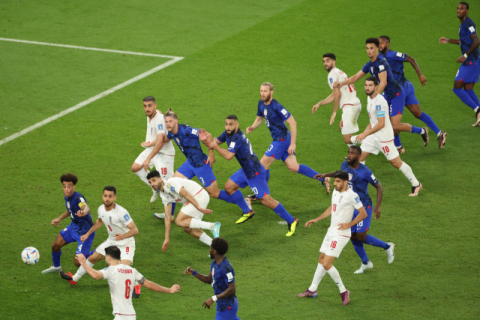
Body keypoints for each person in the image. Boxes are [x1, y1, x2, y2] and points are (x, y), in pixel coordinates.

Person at [200, 115, 299, 236]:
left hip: (255, 172)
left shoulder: (237, 138)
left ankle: (292, 220)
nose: (228, 127)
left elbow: (228, 156)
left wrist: (216, 147)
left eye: (231, 124)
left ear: (237, 125)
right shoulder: (228, 133)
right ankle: (247, 211)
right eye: (226, 124)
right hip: (246, 170)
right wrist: (207, 139)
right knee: (229, 187)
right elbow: (215, 142)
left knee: (266, 201)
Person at [156, 109, 252, 221]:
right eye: (166, 122)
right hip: (189, 164)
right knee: (172, 185)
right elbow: (164, 139)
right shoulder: (171, 132)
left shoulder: (187, 131)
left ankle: (245, 204)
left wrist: (211, 154)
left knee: (214, 193)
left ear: (176, 122)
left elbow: (208, 135)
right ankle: (170, 215)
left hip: (202, 165)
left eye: (170, 121)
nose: (168, 124)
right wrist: (158, 116)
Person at [315, 146, 395, 274]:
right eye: (348, 152)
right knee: (352, 236)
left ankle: (387, 246)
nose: (349, 155)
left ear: (359, 156)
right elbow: (338, 174)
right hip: (351, 207)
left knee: (361, 236)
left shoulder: (365, 171)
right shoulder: (344, 165)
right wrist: (324, 175)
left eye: (352, 153)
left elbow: (379, 186)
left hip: (364, 206)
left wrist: (378, 206)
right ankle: (366, 263)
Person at [337, 38, 429, 149]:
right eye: (367, 48)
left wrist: (374, 97)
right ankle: (396, 147)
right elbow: (356, 77)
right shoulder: (369, 64)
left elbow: (383, 82)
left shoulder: (381, 62)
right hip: (386, 95)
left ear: (377, 49)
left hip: (396, 95)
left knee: (394, 125)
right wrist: (342, 83)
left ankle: (422, 131)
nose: (369, 51)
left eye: (371, 48)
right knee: (378, 120)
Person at [246, 82, 330, 202]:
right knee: (293, 167)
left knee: (263, 164)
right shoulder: (261, 103)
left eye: (265, 91)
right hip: (280, 140)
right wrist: (252, 127)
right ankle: (324, 178)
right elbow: (260, 118)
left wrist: (293, 143)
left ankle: (262, 193)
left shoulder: (277, 106)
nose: (262, 93)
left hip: (282, 140)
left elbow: (293, 122)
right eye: (261, 91)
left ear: (271, 92)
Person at [297, 171, 367, 305]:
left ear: (346, 182)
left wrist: (349, 224)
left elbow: (363, 213)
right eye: (335, 181)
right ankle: (312, 289)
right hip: (331, 232)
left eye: (338, 181)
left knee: (327, 263)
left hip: (341, 234)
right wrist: (317, 219)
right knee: (322, 259)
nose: (335, 184)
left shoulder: (352, 196)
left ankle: (343, 291)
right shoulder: (335, 192)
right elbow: (332, 207)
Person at [351, 77, 422, 196]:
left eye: (370, 85)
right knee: (359, 158)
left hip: (384, 138)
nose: (367, 88)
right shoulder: (370, 98)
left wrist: (364, 134)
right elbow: (372, 121)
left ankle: (416, 184)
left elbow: (381, 124)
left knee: (396, 163)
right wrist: (364, 133)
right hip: (373, 136)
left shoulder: (380, 102)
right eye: (366, 85)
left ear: (376, 86)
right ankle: (359, 186)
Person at [60, 186, 139, 290]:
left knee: (122, 271)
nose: (107, 198)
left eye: (110, 196)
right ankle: (74, 278)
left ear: (115, 198)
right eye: (105, 196)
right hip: (112, 241)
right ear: (102, 196)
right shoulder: (101, 209)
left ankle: (136, 282)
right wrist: (87, 234)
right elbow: (99, 221)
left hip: (126, 244)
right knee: (92, 258)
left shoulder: (121, 212)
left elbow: (135, 230)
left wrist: (123, 236)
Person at [379, 36, 447, 150]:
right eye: (378, 43)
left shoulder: (393, 54)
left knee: (393, 120)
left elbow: (411, 59)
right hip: (406, 86)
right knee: (417, 113)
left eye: (382, 43)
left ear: (388, 44)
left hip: (398, 90)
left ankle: (399, 146)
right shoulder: (380, 57)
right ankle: (440, 133)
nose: (380, 45)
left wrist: (420, 75)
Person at [76, 246, 180, 320]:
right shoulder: (132, 270)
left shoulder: (112, 270)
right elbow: (150, 285)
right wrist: (169, 290)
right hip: (130, 315)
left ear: (108, 257)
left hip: (122, 316)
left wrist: (84, 264)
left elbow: (95, 275)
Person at [147, 170, 221, 252]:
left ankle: (212, 226)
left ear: (160, 179)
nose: (152, 184)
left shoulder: (170, 183)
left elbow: (186, 194)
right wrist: (166, 238)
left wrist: (198, 207)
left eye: (154, 180)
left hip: (198, 195)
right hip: (193, 200)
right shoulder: (163, 195)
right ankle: (215, 246)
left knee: (179, 221)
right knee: (187, 228)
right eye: (150, 182)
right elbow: (168, 217)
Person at [42, 174, 95, 274]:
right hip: (73, 228)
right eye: (64, 186)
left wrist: (83, 212)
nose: (66, 189)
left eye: (69, 186)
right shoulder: (67, 198)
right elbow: (70, 210)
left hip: (85, 233)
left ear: (74, 186)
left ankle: (101, 251)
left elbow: (86, 207)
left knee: (78, 262)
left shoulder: (78, 198)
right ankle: (56, 267)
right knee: (55, 245)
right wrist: (59, 219)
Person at [439, 2, 480, 127]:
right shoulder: (463, 24)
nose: (458, 10)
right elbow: (464, 41)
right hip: (473, 60)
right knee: (468, 89)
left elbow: (477, 41)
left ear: (467, 11)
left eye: (462, 9)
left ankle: (478, 111)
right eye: (457, 8)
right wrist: (449, 40)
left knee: (457, 87)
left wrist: (465, 56)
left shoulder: (468, 23)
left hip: (471, 61)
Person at [130, 96, 176, 203]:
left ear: (155, 106)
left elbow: (161, 141)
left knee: (167, 184)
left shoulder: (159, 119)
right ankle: (155, 188)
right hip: (152, 148)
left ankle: (171, 214)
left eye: (150, 106)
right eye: (145, 106)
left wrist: (148, 158)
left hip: (164, 153)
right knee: (135, 167)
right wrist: (149, 144)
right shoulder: (150, 114)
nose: (147, 108)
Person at [313, 53, 362, 148]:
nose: (325, 63)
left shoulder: (332, 75)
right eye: (324, 61)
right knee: (342, 127)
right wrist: (320, 103)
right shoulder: (339, 72)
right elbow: (334, 94)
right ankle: (356, 156)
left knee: (346, 138)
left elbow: (337, 94)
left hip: (350, 106)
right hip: (355, 103)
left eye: (328, 61)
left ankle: (371, 139)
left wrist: (334, 112)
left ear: (334, 61)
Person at [184, 238, 240, 320]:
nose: (209, 250)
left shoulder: (225, 268)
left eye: (210, 248)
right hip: (223, 304)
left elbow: (232, 289)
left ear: (215, 252)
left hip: (228, 306)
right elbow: (209, 279)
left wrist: (213, 298)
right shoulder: (214, 263)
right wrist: (194, 273)